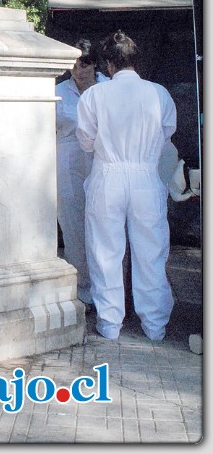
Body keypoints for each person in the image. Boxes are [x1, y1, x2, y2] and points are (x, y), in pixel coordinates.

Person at [76, 30, 177, 341]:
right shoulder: (158, 93)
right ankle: (155, 325)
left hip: (108, 174)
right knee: (151, 250)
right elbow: (167, 133)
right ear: (136, 61)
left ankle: (109, 323)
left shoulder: (94, 95)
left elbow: (87, 142)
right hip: (145, 175)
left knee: (105, 250)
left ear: (109, 64)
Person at [55, 39, 109, 305]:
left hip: (103, 161)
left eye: (84, 63)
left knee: (104, 227)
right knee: (73, 225)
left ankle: (109, 290)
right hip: (68, 161)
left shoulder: (109, 88)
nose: (79, 69)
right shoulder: (59, 92)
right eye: (73, 64)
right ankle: (83, 289)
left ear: (95, 63)